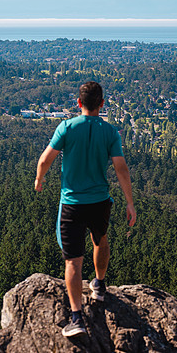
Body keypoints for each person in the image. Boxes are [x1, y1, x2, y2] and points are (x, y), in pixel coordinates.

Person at [35, 81, 136, 338]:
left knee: (72, 260)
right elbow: (120, 168)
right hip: (100, 201)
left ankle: (77, 317)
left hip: (72, 203)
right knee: (100, 239)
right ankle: (100, 285)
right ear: (102, 104)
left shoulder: (67, 127)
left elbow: (46, 158)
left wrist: (39, 179)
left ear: (79, 103)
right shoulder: (111, 132)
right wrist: (129, 202)